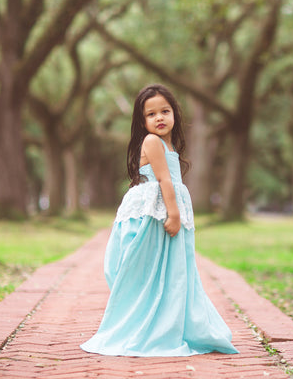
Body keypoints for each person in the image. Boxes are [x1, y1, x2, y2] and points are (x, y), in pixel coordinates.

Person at [80, 84, 238, 357]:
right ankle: (150, 323)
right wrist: (174, 214)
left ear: (175, 114)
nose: (159, 118)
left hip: (166, 209)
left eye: (165, 111)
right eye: (151, 114)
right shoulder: (152, 142)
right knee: (155, 269)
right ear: (142, 121)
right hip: (158, 213)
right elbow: (164, 179)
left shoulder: (168, 144)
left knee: (174, 271)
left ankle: (170, 319)